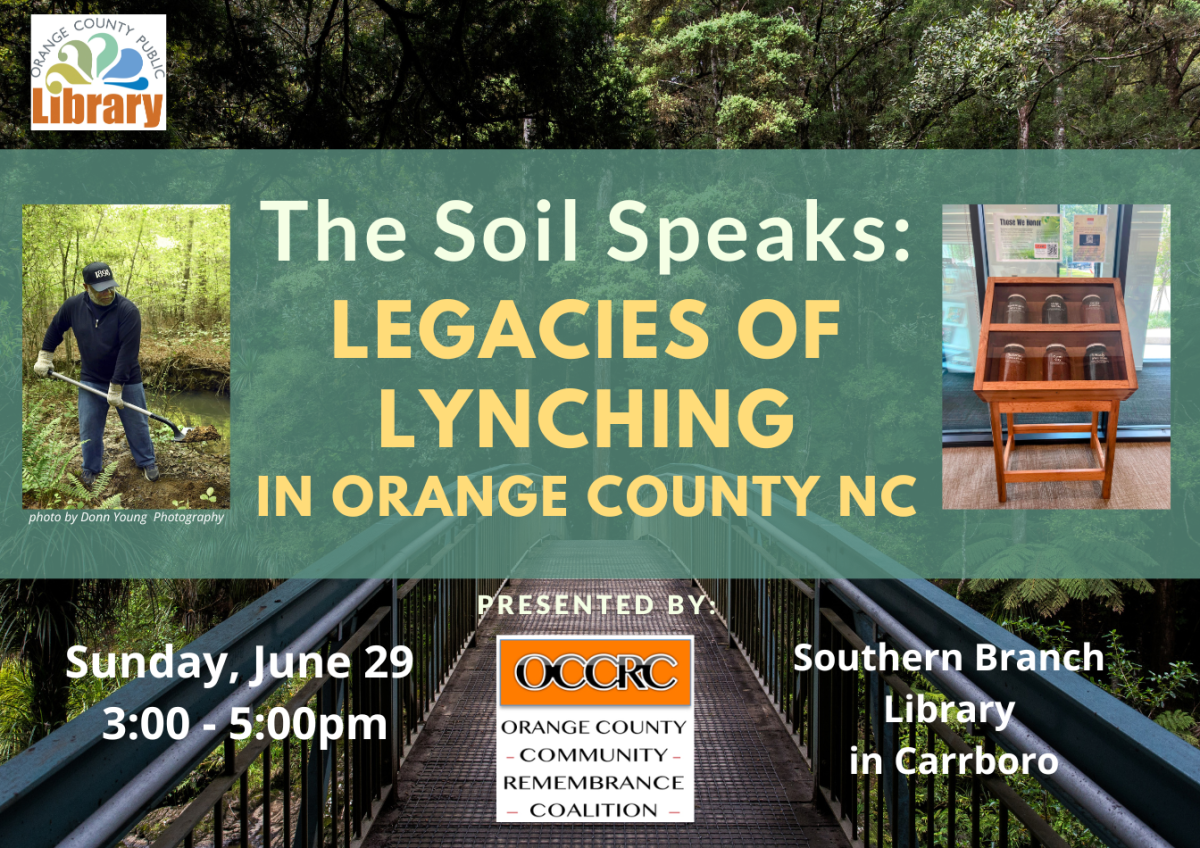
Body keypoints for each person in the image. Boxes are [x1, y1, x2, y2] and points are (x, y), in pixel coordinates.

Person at [33, 261, 159, 488]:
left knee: (137, 424)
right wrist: (45, 356)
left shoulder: (128, 310)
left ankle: (146, 461)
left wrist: (117, 387)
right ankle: (90, 468)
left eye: (110, 286)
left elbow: (128, 352)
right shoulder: (73, 306)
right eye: (100, 289)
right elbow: (55, 327)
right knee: (89, 426)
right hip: (91, 378)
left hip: (127, 379)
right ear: (86, 287)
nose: (107, 292)